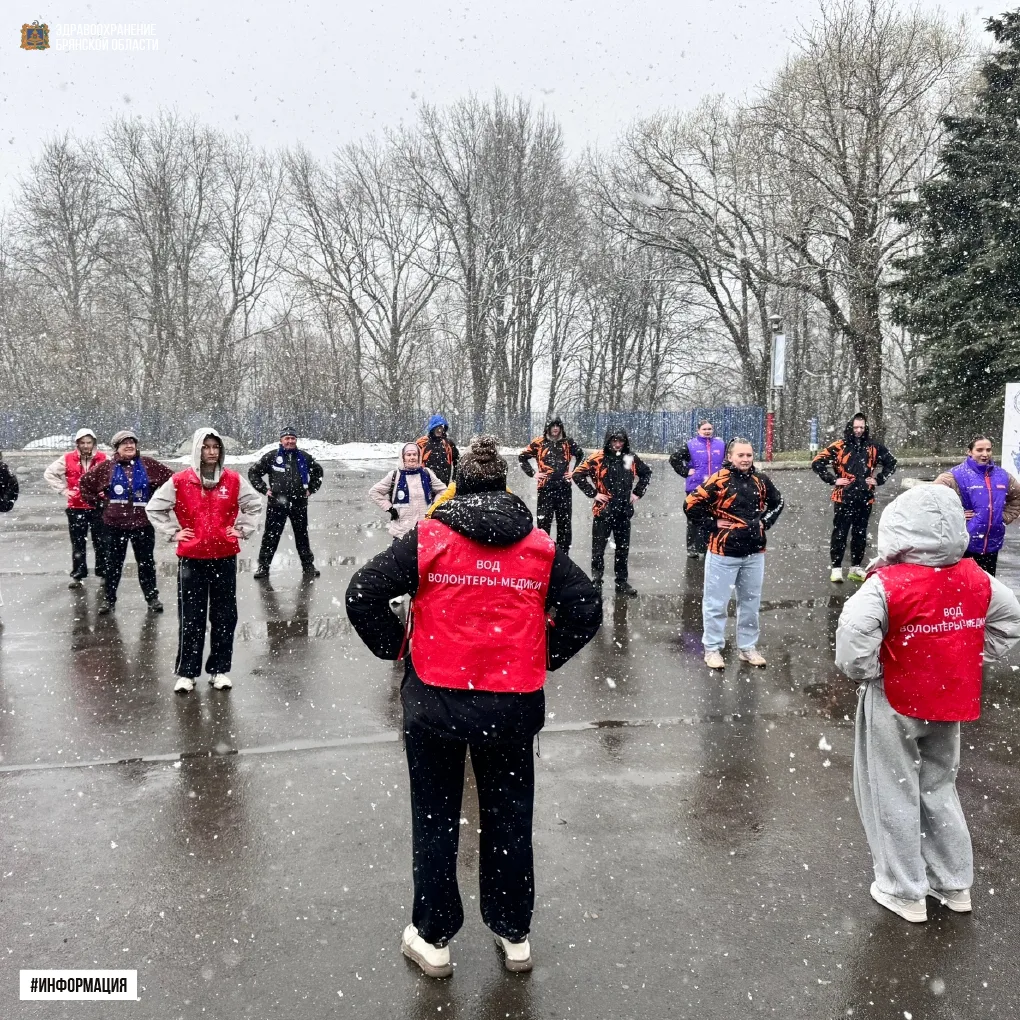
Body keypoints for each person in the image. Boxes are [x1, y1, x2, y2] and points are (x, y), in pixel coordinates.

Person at [346, 436, 601, 979]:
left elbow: (362, 592)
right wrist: (544, 653)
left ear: (457, 483)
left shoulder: (431, 536)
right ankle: (514, 934)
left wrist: (397, 647)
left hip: (437, 701)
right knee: (509, 818)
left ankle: (434, 936)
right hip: (510, 703)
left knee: (436, 819)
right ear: (508, 486)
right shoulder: (536, 545)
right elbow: (585, 606)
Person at [835, 484, 1020, 923]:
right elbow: (1009, 620)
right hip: (949, 696)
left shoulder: (887, 584)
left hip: (894, 699)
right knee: (938, 787)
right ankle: (953, 882)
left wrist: (873, 672)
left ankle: (904, 889)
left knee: (889, 790)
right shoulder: (977, 578)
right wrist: (969, 658)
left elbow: (853, 640)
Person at [147, 429, 263, 694]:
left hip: (224, 557)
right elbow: (154, 508)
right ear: (197, 450)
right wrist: (174, 532)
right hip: (192, 559)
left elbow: (254, 505)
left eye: (215, 447)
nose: (211, 452)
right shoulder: (180, 481)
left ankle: (219, 670)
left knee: (224, 616)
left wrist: (242, 529)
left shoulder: (233, 480)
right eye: (206, 447)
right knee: (191, 617)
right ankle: (187, 673)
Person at [684, 437, 784, 670]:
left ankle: (747, 647)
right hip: (723, 553)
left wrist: (765, 522)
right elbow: (690, 505)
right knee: (716, 604)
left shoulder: (761, 480)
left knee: (750, 603)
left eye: (749, 455)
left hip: (754, 553)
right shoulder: (718, 480)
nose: (746, 459)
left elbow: (778, 502)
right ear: (730, 457)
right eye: (741, 455)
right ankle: (712, 649)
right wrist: (712, 523)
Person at [79, 430, 173, 615]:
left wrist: (159, 501)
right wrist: (99, 505)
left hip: (143, 524)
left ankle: (152, 598)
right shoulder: (106, 467)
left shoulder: (148, 464)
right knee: (112, 564)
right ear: (117, 448)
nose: (129, 446)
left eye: (132, 442)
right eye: (124, 443)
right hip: (114, 525)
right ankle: (109, 599)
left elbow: (173, 480)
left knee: (146, 563)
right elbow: (85, 483)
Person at [812, 413, 897, 583]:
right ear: (850, 427)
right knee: (840, 533)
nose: (858, 431)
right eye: (856, 427)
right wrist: (833, 479)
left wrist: (878, 479)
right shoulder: (840, 446)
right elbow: (817, 462)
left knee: (860, 534)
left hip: (865, 497)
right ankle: (836, 568)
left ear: (866, 428)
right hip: (843, 496)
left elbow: (892, 462)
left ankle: (855, 567)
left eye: (861, 428)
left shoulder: (873, 447)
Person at [572, 427, 652, 597]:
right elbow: (578, 474)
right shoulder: (597, 458)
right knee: (598, 549)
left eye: (620, 441)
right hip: (603, 511)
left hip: (623, 510)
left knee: (622, 549)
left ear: (625, 442)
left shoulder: (630, 458)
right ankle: (596, 580)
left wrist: (637, 493)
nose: (617, 444)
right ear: (608, 441)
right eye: (614, 441)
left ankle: (621, 581)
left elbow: (646, 473)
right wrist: (594, 493)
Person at [933, 436, 1020, 576]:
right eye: (979, 450)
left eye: (988, 450)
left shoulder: (1003, 476)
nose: (985, 454)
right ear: (969, 451)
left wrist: (1002, 517)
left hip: (992, 545)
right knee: (963, 590)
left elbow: (1017, 497)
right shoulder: (955, 475)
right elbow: (932, 500)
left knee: (987, 589)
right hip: (964, 545)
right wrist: (957, 515)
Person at [248, 427, 324, 580]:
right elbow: (253, 472)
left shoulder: (304, 457)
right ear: (281, 440)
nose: (290, 441)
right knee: (270, 536)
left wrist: (311, 489)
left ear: (296, 440)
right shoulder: (272, 457)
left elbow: (318, 472)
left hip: (299, 503)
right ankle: (264, 567)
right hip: (277, 504)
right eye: (286, 438)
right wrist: (264, 489)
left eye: (292, 438)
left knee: (302, 536)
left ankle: (308, 566)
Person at [44, 428, 109, 588]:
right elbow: (49, 473)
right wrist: (64, 490)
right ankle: (79, 574)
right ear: (77, 444)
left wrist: (106, 490)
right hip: (76, 507)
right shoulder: (67, 459)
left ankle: (103, 572)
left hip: (98, 506)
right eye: (83, 443)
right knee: (78, 542)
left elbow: (114, 476)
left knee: (101, 541)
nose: (86, 446)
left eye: (89, 442)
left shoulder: (104, 458)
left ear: (94, 443)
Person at [518, 416, 584, 553]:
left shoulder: (568, 443)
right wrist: (533, 473)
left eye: (558, 426)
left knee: (564, 524)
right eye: (553, 426)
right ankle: (543, 552)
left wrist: (574, 473)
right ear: (548, 428)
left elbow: (581, 455)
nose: (555, 428)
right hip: (545, 489)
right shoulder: (539, 442)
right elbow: (522, 457)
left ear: (561, 428)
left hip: (564, 488)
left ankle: (563, 553)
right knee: (544, 523)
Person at [670, 419, 726, 558]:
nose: (707, 431)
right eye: (704, 429)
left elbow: (728, 460)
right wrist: (685, 471)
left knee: (713, 517)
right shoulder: (691, 445)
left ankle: (708, 546)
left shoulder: (720, 444)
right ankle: (693, 547)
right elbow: (674, 458)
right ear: (698, 431)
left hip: (716, 487)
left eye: (709, 429)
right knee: (694, 518)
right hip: (696, 487)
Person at [369, 443, 447, 539]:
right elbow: (374, 492)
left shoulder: (427, 473)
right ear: (403, 457)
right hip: (401, 532)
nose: (412, 457)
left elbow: (443, 490)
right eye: (408, 455)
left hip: (425, 529)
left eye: (415, 455)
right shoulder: (394, 475)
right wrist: (389, 508)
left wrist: (435, 505)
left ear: (419, 456)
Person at [415, 414, 459, 486]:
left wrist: (455, 480)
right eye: (437, 427)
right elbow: (412, 461)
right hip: (425, 483)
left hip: (444, 484)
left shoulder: (449, 444)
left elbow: (457, 462)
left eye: (441, 427)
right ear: (432, 429)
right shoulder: (422, 443)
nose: (439, 430)